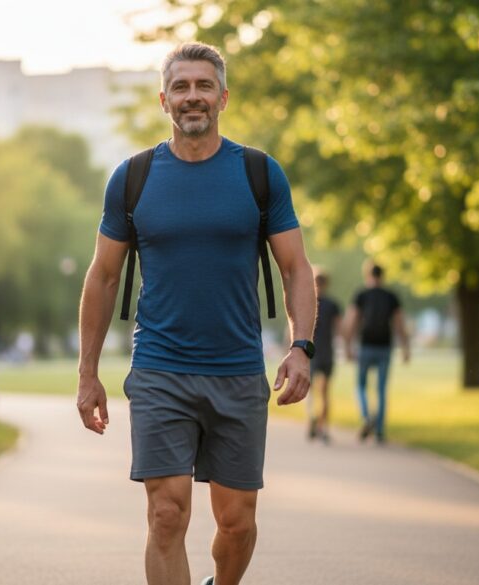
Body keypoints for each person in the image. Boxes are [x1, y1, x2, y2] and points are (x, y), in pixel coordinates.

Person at [75, 42, 316, 585]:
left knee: (237, 523)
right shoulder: (133, 178)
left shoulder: (259, 173)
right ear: (164, 100)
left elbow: (296, 268)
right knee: (166, 516)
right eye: (181, 87)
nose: (192, 97)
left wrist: (302, 347)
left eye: (203, 86)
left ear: (223, 97)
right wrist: (87, 372)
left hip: (236, 371)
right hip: (161, 369)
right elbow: (103, 275)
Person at [342, 262, 410, 443]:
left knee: (361, 386)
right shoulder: (391, 296)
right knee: (381, 389)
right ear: (383, 275)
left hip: (366, 346)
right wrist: (405, 348)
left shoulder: (361, 295)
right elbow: (399, 324)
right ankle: (379, 431)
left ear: (367, 275)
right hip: (385, 347)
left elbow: (351, 321)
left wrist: (347, 346)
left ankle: (366, 417)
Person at [306, 267, 342, 444]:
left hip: (310, 352)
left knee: (309, 390)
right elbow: (339, 329)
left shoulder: (307, 302)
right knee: (325, 392)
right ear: (327, 284)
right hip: (327, 352)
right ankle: (323, 427)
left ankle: (312, 416)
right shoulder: (333, 305)